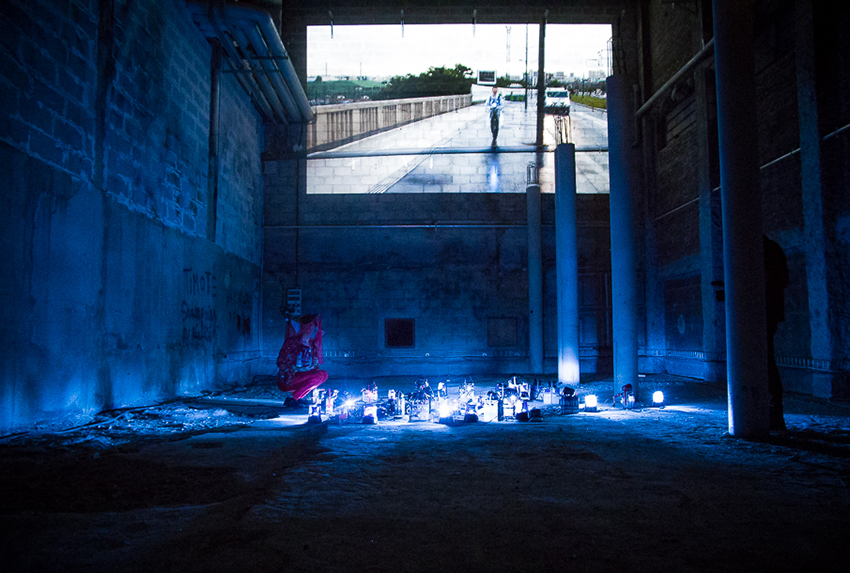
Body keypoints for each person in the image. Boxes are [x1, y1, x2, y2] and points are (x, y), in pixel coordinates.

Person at [764, 236, 790, 431]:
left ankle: (772, 412)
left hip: (763, 312)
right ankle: (773, 412)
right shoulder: (773, 249)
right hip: (770, 312)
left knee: (765, 362)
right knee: (767, 361)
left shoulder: (762, 251)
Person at [276, 314, 328, 401]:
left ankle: (298, 397)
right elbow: (280, 362)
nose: (310, 329)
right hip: (288, 379)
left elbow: (314, 366)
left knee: (323, 374)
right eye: (307, 326)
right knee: (318, 376)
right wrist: (295, 367)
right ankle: (293, 398)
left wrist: (311, 367)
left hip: (303, 376)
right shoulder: (292, 343)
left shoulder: (312, 345)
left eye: (312, 326)